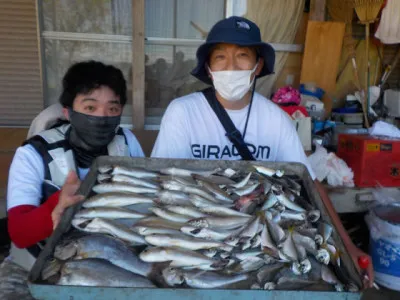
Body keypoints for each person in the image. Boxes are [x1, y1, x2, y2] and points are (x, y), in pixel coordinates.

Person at [151, 16, 373, 288]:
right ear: (209, 68)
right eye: (220, 57)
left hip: (259, 243)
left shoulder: (275, 119)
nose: (231, 66)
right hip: (197, 235)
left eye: (242, 55)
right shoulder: (183, 112)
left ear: (257, 66)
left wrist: (346, 245)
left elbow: (310, 182)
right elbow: (161, 183)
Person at [0, 60, 144, 299]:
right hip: (36, 261)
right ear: (67, 112)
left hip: (110, 259)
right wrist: (54, 209)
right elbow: (19, 232)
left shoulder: (126, 142)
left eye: (112, 108)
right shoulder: (33, 154)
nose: (102, 117)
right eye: (90, 108)